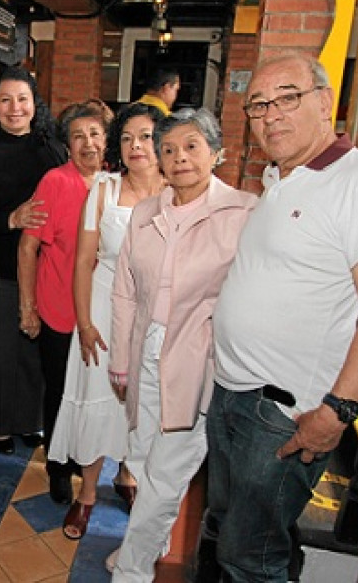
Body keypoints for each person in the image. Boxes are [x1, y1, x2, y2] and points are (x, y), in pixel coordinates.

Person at [202, 53, 358, 582]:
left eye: (287, 98)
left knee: (248, 558)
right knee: (240, 529)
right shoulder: (280, 179)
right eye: (258, 106)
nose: (271, 116)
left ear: (324, 101)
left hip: (283, 415)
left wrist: (338, 411)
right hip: (232, 395)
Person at [106, 108, 258, 580]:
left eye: (192, 146)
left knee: (167, 467)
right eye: (168, 149)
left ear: (216, 152)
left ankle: (132, 569)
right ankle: (151, 539)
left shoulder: (244, 213)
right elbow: (125, 289)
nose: (179, 158)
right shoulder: (148, 212)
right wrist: (120, 358)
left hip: (197, 357)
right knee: (140, 455)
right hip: (144, 346)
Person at [49, 103, 167, 540]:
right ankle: (87, 495)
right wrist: (84, 323)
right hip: (100, 306)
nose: (137, 146)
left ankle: (128, 477)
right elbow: (83, 262)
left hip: (151, 315)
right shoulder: (103, 189)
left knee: (140, 404)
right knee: (97, 398)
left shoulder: (178, 192)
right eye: (127, 138)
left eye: (147, 136)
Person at [0, 66, 66, 456]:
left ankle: (29, 419)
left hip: (44, 270)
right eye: (5, 99)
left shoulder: (53, 150)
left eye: (22, 99)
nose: (14, 107)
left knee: (33, 349)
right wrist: (11, 218)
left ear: (34, 105)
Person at [17, 100, 112, 504]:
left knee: (91, 391)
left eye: (95, 134)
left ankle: (79, 456)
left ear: (107, 140)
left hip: (100, 311)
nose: (88, 143)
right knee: (58, 391)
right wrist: (27, 306)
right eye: (78, 136)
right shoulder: (56, 182)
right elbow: (27, 247)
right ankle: (57, 466)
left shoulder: (115, 185)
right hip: (58, 309)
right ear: (67, 145)